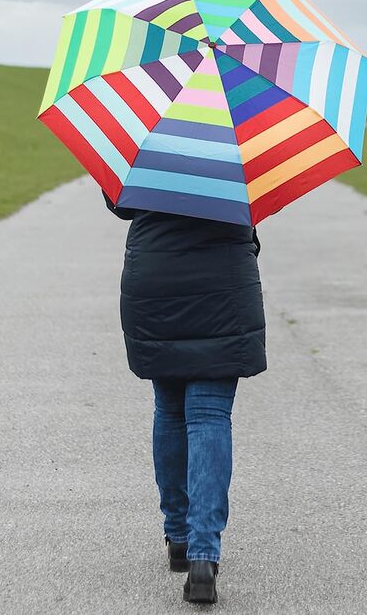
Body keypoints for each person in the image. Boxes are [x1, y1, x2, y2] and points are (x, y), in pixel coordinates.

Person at [103, 190, 267, 604]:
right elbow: (257, 205)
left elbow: (119, 203)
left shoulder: (148, 134)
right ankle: (203, 555)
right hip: (224, 282)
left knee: (170, 410)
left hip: (155, 278)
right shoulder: (241, 145)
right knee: (209, 414)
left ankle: (178, 536)